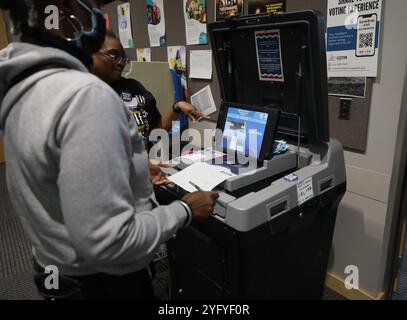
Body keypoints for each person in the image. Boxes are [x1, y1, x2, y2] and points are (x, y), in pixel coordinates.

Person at [0, 0, 218, 300]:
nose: (94, 15)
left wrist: (131, 169)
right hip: (100, 281)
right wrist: (185, 210)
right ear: (62, 14)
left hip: (54, 265)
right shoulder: (87, 97)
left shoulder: (24, 89)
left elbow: (55, 172)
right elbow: (110, 241)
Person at [92, 31, 203, 141]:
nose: (121, 62)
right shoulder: (85, 95)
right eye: (113, 55)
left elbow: (156, 132)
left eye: (123, 57)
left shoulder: (134, 87)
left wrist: (177, 107)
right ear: (90, 55)